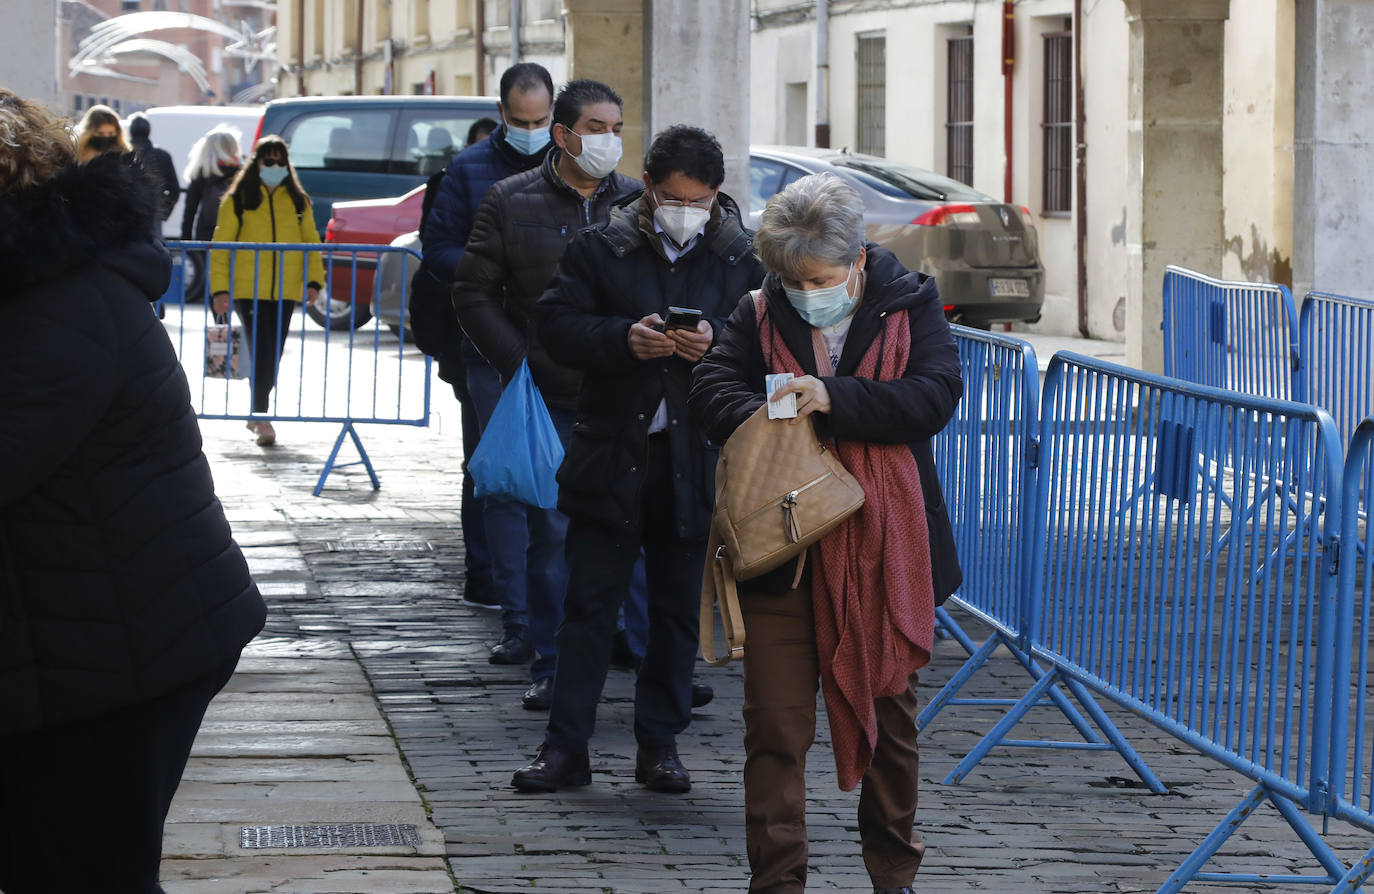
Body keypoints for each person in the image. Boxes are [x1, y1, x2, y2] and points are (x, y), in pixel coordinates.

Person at [0, 87, 266, 894]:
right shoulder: (35, 281)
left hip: (129, 647)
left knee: (86, 871)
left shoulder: (61, 305)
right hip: (69, 626)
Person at [687, 172, 963, 894]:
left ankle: (893, 874)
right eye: (792, 278)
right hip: (783, 549)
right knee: (774, 730)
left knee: (891, 728)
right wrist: (767, 412)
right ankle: (777, 883)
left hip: (884, 549)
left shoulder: (911, 301)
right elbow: (710, 389)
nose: (806, 290)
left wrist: (834, 398)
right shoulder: (758, 309)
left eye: (819, 277)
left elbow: (933, 396)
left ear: (857, 259)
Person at [514, 126, 764, 793]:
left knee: (678, 608)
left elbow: (770, 350)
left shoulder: (739, 257)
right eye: (675, 197)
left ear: (716, 196)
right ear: (649, 189)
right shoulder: (604, 245)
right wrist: (622, 338)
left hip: (695, 454)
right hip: (612, 450)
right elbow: (557, 327)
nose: (688, 211)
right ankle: (566, 747)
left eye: (701, 200)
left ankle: (660, 744)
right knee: (589, 603)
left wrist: (714, 344)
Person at [453, 79, 640, 708]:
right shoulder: (511, 200)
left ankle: (641, 652)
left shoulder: (638, 204)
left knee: (634, 526)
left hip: (623, 394)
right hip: (550, 396)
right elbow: (472, 292)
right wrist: (519, 362)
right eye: (596, 128)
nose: (609, 140)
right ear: (562, 134)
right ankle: (553, 662)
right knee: (553, 532)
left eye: (616, 128)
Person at [415, 62, 556, 614]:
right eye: (521, 119)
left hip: (558, 345)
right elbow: (438, 247)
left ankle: (544, 584)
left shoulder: (570, 169)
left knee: (555, 465)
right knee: (491, 466)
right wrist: (493, 270)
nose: (531, 128)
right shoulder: (469, 170)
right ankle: (491, 581)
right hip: (486, 343)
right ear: (501, 114)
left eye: (541, 119)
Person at [208, 135, 324, 447]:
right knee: (261, 350)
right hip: (249, 289)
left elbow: (312, 243)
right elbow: (221, 247)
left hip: (285, 290)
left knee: (273, 352)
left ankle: (258, 410)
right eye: (267, 161)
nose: (274, 167)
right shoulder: (238, 199)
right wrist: (219, 288)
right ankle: (261, 415)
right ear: (256, 163)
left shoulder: (299, 202)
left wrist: (314, 281)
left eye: (279, 162)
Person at [180, 125, 242, 301]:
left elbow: (190, 211)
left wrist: (186, 241)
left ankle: (220, 324)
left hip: (207, 237)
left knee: (214, 283)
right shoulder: (241, 171)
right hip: (238, 236)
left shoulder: (201, 173)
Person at [128, 112, 181, 221]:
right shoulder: (163, 156)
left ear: (130, 132)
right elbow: (174, 189)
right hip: (153, 214)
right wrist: (163, 212)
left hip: (126, 214)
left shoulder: (121, 155)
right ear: (149, 132)